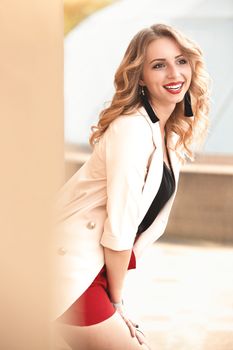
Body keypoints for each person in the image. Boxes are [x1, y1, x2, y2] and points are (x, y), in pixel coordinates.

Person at [52, 23, 210, 350]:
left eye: (181, 61)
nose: (173, 73)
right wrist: (118, 303)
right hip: (68, 267)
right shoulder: (132, 130)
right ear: (140, 77)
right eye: (158, 65)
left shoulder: (167, 136)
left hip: (93, 270)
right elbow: (121, 225)